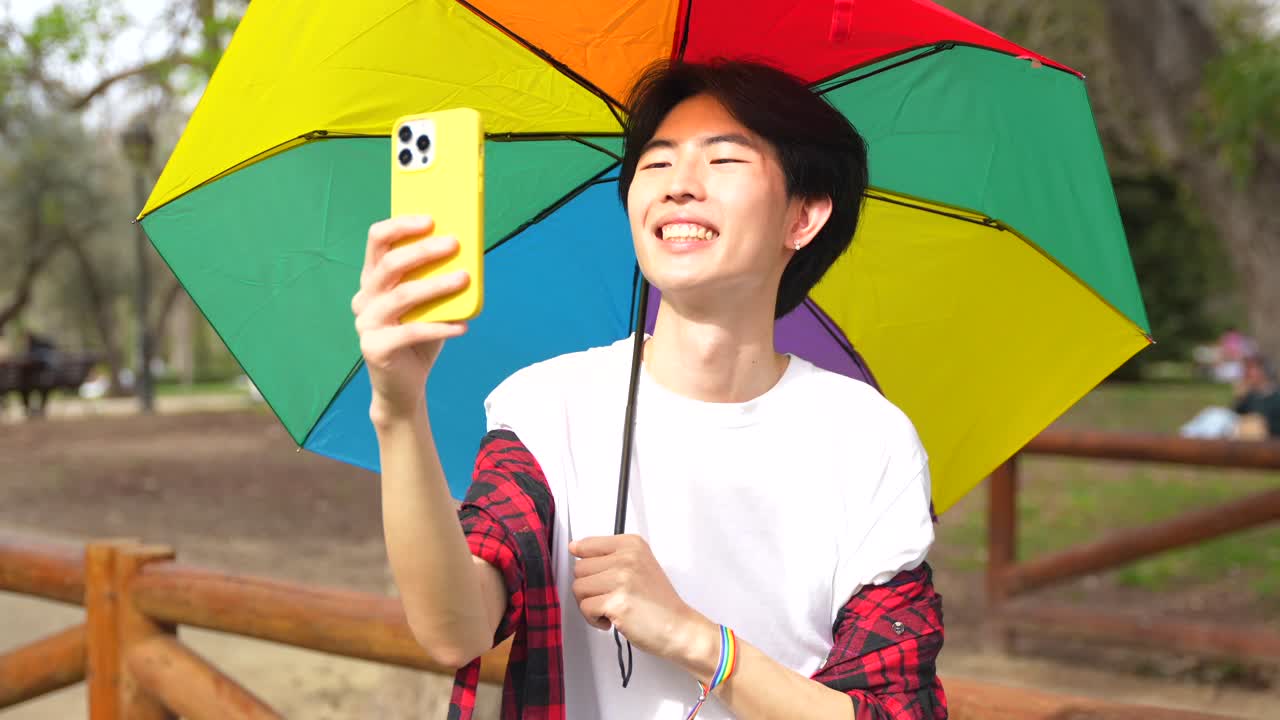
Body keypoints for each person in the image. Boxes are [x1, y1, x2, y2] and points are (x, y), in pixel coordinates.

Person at [353, 60, 944, 720]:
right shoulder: (547, 409)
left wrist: (692, 638)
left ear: (803, 217)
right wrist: (398, 411)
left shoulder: (868, 439)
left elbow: (893, 712)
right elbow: (454, 629)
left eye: (723, 160)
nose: (678, 187)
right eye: (656, 165)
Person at [1233, 354, 1280, 439]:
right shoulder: (1249, 397)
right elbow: (1234, 417)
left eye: (1250, 369)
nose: (1245, 374)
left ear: (1263, 372)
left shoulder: (1276, 398)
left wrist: (1262, 424)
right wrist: (1240, 398)